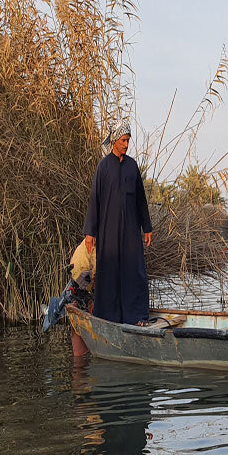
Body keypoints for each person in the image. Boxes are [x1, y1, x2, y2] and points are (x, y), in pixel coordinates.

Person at [82, 119, 154, 325]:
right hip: (109, 230)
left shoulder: (132, 166)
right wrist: (90, 233)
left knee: (134, 270)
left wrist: (146, 227)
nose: (126, 144)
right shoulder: (103, 168)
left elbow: (141, 198)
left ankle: (137, 316)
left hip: (131, 230)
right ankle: (108, 317)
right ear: (114, 140)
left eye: (128, 140)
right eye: (123, 140)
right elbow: (94, 201)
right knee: (110, 271)